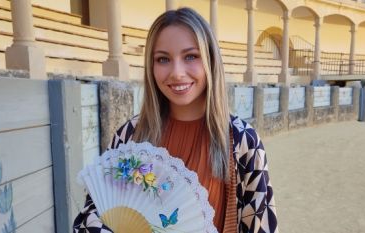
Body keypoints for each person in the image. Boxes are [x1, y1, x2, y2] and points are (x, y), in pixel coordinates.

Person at [73, 7, 278, 233]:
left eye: (191, 56)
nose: (177, 73)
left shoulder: (243, 141)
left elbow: (261, 225)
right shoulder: (129, 135)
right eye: (163, 59)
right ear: (151, 67)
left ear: (210, 60)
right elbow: (92, 215)